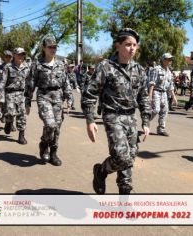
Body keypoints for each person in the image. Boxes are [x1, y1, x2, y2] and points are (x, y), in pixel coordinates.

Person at [81, 28, 151, 194]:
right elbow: (90, 93)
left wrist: (146, 121)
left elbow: (143, 97)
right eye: (127, 44)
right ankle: (101, 171)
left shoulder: (139, 70)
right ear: (118, 46)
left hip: (130, 117)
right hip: (112, 115)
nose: (132, 48)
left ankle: (124, 198)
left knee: (130, 158)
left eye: (134, 45)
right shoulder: (106, 67)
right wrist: (90, 120)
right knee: (121, 156)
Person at [26, 35, 73, 166]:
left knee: (57, 127)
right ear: (44, 48)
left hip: (57, 96)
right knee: (50, 124)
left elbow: (66, 82)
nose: (53, 49)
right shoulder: (37, 64)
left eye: (55, 47)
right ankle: (44, 143)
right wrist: (27, 101)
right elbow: (31, 83)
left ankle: (53, 153)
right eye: (50, 47)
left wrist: (69, 99)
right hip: (44, 96)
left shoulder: (61, 64)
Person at [0, 48, 30, 145]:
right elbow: (2, 82)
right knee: (10, 113)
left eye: (22, 54)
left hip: (21, 94)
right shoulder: (8, 67)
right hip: (10, 94)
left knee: (22, 115)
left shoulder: (27, 67)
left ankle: (21, 135)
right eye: (19, 54)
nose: (21, 56)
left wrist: (29, 99)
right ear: (14, 55)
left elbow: (29, 83)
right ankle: (8, 122)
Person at [149, 53, 177, 136]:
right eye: (168, 59)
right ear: (163, 60)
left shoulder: (169, 72)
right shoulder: (156, 69)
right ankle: (146, 120)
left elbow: (170, 86)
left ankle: (161, 129)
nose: (170, 61)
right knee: (156, 110)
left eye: (171, 59)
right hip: (156, 91)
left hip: (164, 93)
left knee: (164, 111)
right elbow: (152, 82)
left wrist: (174, 97)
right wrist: (150, 94)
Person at [0, 50, 14, 127]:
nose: (8, 58)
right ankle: (4, 115)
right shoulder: (0, 67)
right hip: (3, 89)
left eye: (10, 57)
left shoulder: (14, 66)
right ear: (4, 57)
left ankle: (11, 123)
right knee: (4, 104)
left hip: (11, 90)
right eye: (7, 57)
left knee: (12, 107)